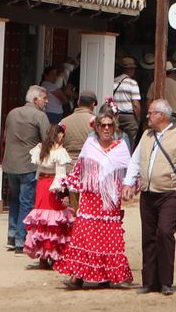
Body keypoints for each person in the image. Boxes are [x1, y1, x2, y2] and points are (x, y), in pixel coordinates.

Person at [123, 99, 176, 295]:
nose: (147, 116)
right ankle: (149, 281)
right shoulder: (146, 135)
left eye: (151, 112)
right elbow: (135, 160)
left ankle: (166, 281)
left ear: (162, 115)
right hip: (148, 193)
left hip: (170, 193)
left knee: (165, 233)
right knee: (148, 236)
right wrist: (128, 182)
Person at [57, 113, 133, 289]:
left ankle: (105, 275)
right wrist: (66, 189)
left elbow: (130, 172)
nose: (106, 128)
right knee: (85, 234)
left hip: (110, 199)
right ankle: (79, 275)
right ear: (97, 128)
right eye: (103, 125)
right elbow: (78, 169)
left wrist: (130, 187)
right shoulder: (89, 145)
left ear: (114, 128)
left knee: (107, 236)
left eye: (110, 126)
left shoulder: (120, 147)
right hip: (91, 197)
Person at [1, 85, 53, 252]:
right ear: (35, 100)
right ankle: (20, 239)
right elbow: (48, 140)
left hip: (10, 164)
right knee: (26, 202)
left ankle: (12, 234)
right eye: (44, 99)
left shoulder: (12, 113)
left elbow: (5, 136)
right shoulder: (40, 116)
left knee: (15, 199)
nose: (47, 102)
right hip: (28, 165)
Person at [21, 124, 74, 269]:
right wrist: (62, 191)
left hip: (42, 184)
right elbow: (61, 174)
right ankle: (54, 255)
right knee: (54, 220)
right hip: (53, 185)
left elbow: (38, 169)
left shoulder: (41, 149)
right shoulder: (60, 151)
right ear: (60, 135)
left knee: (42, 220)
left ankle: (43, 257)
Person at [110, 57, 143, 147]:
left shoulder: (113, 81)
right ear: (131, 69)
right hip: (129, 118)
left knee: (115, 142)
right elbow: (136, 104)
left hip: (116, 115)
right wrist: (138, 119)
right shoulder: (132, 83)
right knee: (130, 143)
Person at [60, 92, 97, 157]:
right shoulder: (97, 122)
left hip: (67, 163)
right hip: (88, 163)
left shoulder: (63, 122)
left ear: (78, 102)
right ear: (93, 104)